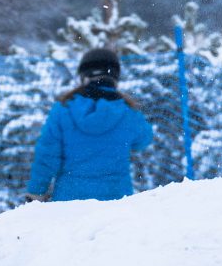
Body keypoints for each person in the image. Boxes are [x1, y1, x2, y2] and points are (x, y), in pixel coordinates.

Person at [27, 46, 157, 202]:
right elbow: (144, 140)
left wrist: (36, 193)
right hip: (117, 201)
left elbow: (46, 156)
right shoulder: (128, 111)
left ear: (83, 76)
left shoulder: (64, 109)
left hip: (68, 203)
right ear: (115, 76)